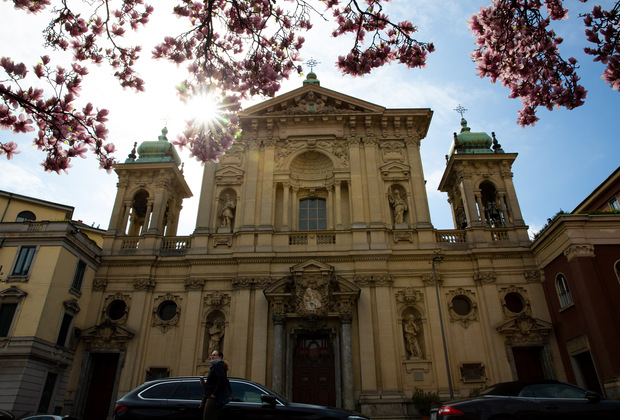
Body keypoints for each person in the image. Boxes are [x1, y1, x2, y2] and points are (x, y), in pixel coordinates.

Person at [200, 351, 232, 420]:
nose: (212, 357)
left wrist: (214, 394)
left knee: (208, 417)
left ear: (220, 357)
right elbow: (216, 381)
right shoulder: (215, 366)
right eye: (212, 355)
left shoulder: (218, 365)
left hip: (213, 398)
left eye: (214, 355)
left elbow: (222, 379)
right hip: (210, 395)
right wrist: (205, 383)